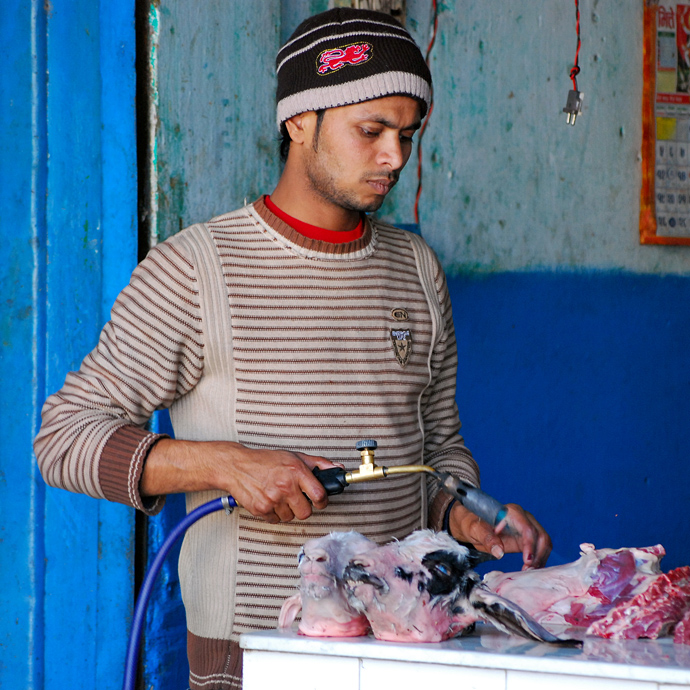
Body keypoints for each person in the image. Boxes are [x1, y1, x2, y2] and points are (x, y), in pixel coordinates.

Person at [34, 8, 551, 689]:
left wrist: (462, 512)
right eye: (371, 131)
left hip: (405, 646)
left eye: (407, 134)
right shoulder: (198, 268)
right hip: (255, 657)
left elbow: (436, 451)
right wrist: (226, 466)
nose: (394, 157)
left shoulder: (415, 269)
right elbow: (63, 439)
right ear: (299, 121)